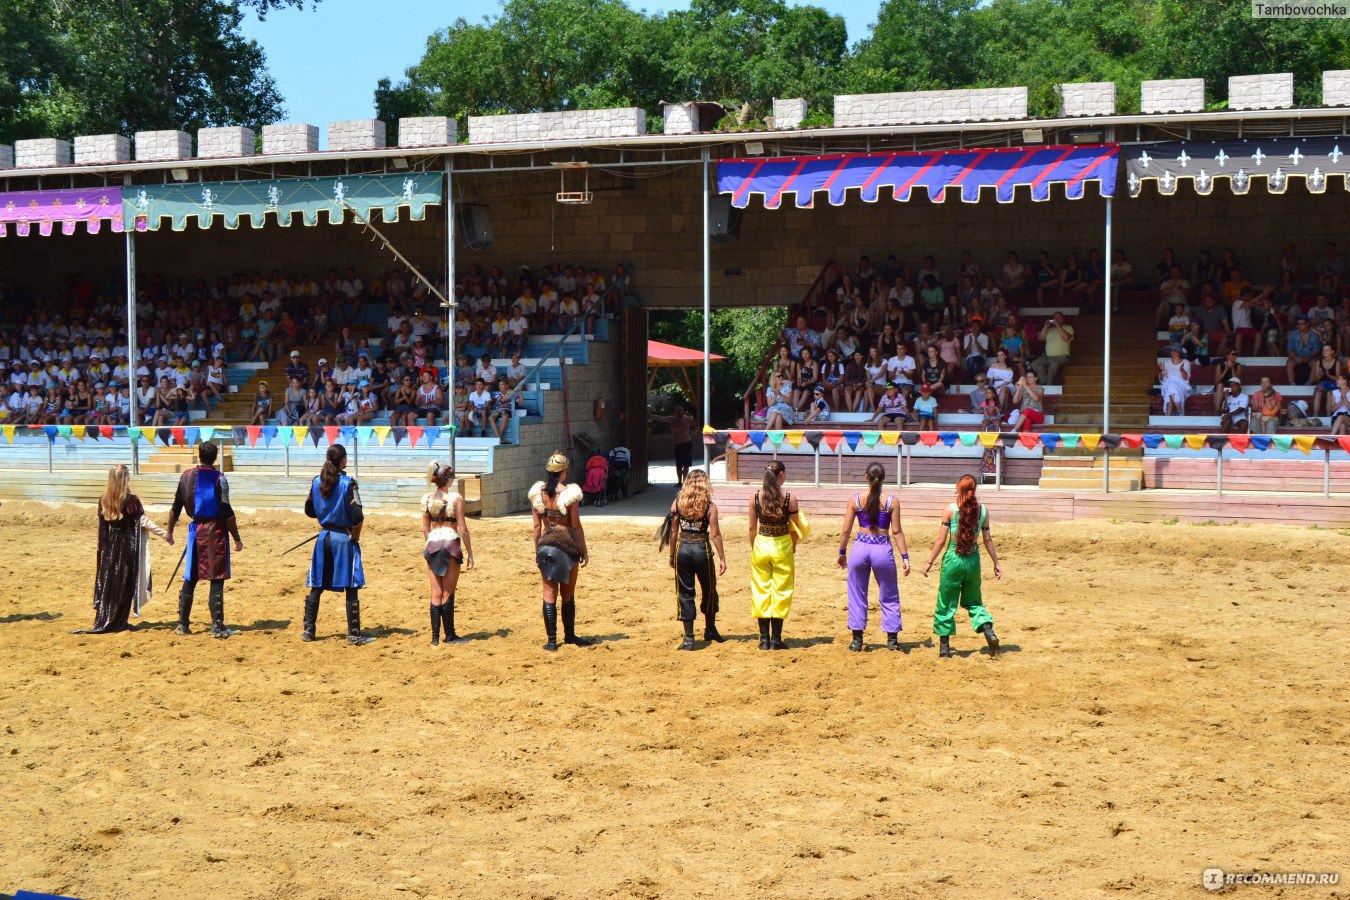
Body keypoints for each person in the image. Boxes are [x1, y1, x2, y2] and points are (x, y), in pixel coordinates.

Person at [76, 464, 172, 634]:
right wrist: (163, 533)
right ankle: (118, 621)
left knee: (111, 582)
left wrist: (103, 553)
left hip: (111, 545)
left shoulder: (104, 499)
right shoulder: (131, 500)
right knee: (125, 583)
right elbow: (142, 521)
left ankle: (109, 618)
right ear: (124, 479)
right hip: (127, 545)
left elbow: (103, 529)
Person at [166, 441, 243, 639]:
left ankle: (183, 624)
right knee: (216, 577)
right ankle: (217, 627)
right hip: (215, 532)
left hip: (194, 532)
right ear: (215, 457)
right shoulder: (219, 479)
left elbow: (176, 507)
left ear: (199, 455)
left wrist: (170, 531)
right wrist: (237, 539)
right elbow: (227, 511)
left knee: (190, 577)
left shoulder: (185, 476)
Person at [922, 475, 1002, 659]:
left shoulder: (950, 510)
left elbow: (941, 540)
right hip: (973, 559)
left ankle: (944, 647)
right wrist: (996, 563)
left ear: (959, 489)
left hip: (953, 558)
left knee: (946, 601)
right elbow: (987, 539)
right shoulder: (983, 510)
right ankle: (988, 630)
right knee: (974, 600)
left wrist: (929, 563)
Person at [302, 444, 372, 645]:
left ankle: (308, 630)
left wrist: (326, 516)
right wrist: (355, 535)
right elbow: (358, 515)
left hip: (323, 538)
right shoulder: (348, 483)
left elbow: (309, 510)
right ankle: (353, 634)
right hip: (343, 539)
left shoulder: (317, 481)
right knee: (351, 584)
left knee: (317, 584)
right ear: (342, 460)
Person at [836, 462, 910, 652]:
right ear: (883, 478)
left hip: (860, 546)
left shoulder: (855, 500)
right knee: (889, 593)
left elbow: (845, 530)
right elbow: (897, 531)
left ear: (865, 477)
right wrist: (905, 557)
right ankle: (892, 640)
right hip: (882, 548)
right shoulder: (892, 501)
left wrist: (842, 552)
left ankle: (857, 639)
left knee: (856, 593)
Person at [529, 451, 591, 652]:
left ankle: (552, 641)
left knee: (549, 595)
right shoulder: (570, 495)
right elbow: (576, 526)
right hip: (566, 545)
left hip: (546, 544)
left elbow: (537, 527)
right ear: (563, 472)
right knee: (568, 594)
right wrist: (583, 549)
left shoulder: (538, 494)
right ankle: (570, 636)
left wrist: (536, 551)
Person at [661, 469, 727, 651]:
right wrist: (722, 558)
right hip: (701, 550)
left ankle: (689, 638)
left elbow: (673, 532)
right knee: (709, 589)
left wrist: (671, 555)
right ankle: (710, 629)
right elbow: (715, 534)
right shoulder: (710, 507)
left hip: (683, 549)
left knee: (685, 592)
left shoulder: (677, 504)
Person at [747, 459, 802, 651]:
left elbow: (752, 528)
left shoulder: (755, 497)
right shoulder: (790, 497)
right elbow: (794, 529)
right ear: (781, 475)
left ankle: (763, 640)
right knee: (781, 590)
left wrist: (755, 547)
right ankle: (776, 639)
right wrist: (793, 546)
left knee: (761, 590)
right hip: (782, 544)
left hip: (762, 543)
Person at [422, 461, 474, 646]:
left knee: (435, 592)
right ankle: (450, 635)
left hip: (433, 543)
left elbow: (425, 530)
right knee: (447, 592)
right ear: (448, 479)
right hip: (450, 542)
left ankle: (435, 638)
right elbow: (464, 529)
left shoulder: (427, 499)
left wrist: (430, 543)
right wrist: (470, 554)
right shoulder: (456, 499)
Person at [651, 404, 695, 486]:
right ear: (676, 412)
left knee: (686, 464)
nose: (679, 412)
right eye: (677, 411)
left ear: (683, 411)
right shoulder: (672, 419)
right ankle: (679, 482)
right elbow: (660, 418)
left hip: (687, 443)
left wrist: (692, 433)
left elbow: (696, 425)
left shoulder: (687, 419)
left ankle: (685, 481)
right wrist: (650, 415)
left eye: (681, 411)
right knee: (679, 464)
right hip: (678, 444)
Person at [1031, 312, 1074, 385]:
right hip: (1048, 357)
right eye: (1054, 318)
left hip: (1062, 357)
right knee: (1035, 363)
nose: (1056, 320)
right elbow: (1041, 339)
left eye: (1058, 318)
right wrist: (1045, 327)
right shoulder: (1049, 329)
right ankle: (1045, 382)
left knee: (1053, 364)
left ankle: (1049, 385)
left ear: (1063, 319)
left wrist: (1057, 325)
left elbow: (1066, 338)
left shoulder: (1068, 327)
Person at [1158, 347, 1192, 416]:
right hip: (1168, 385)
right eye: (1171, 350)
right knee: (1171, 386)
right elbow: (1162, 379)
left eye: (1175, 350)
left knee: (1170, 389)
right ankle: (1179, 409)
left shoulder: (1186, 362)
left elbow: (1186, 378)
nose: (1172, 352)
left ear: (1179, 352)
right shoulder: (1166, 363)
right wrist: (1162, 371)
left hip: (1182, 387)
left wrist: (1182, 370)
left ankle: (1168, 415)